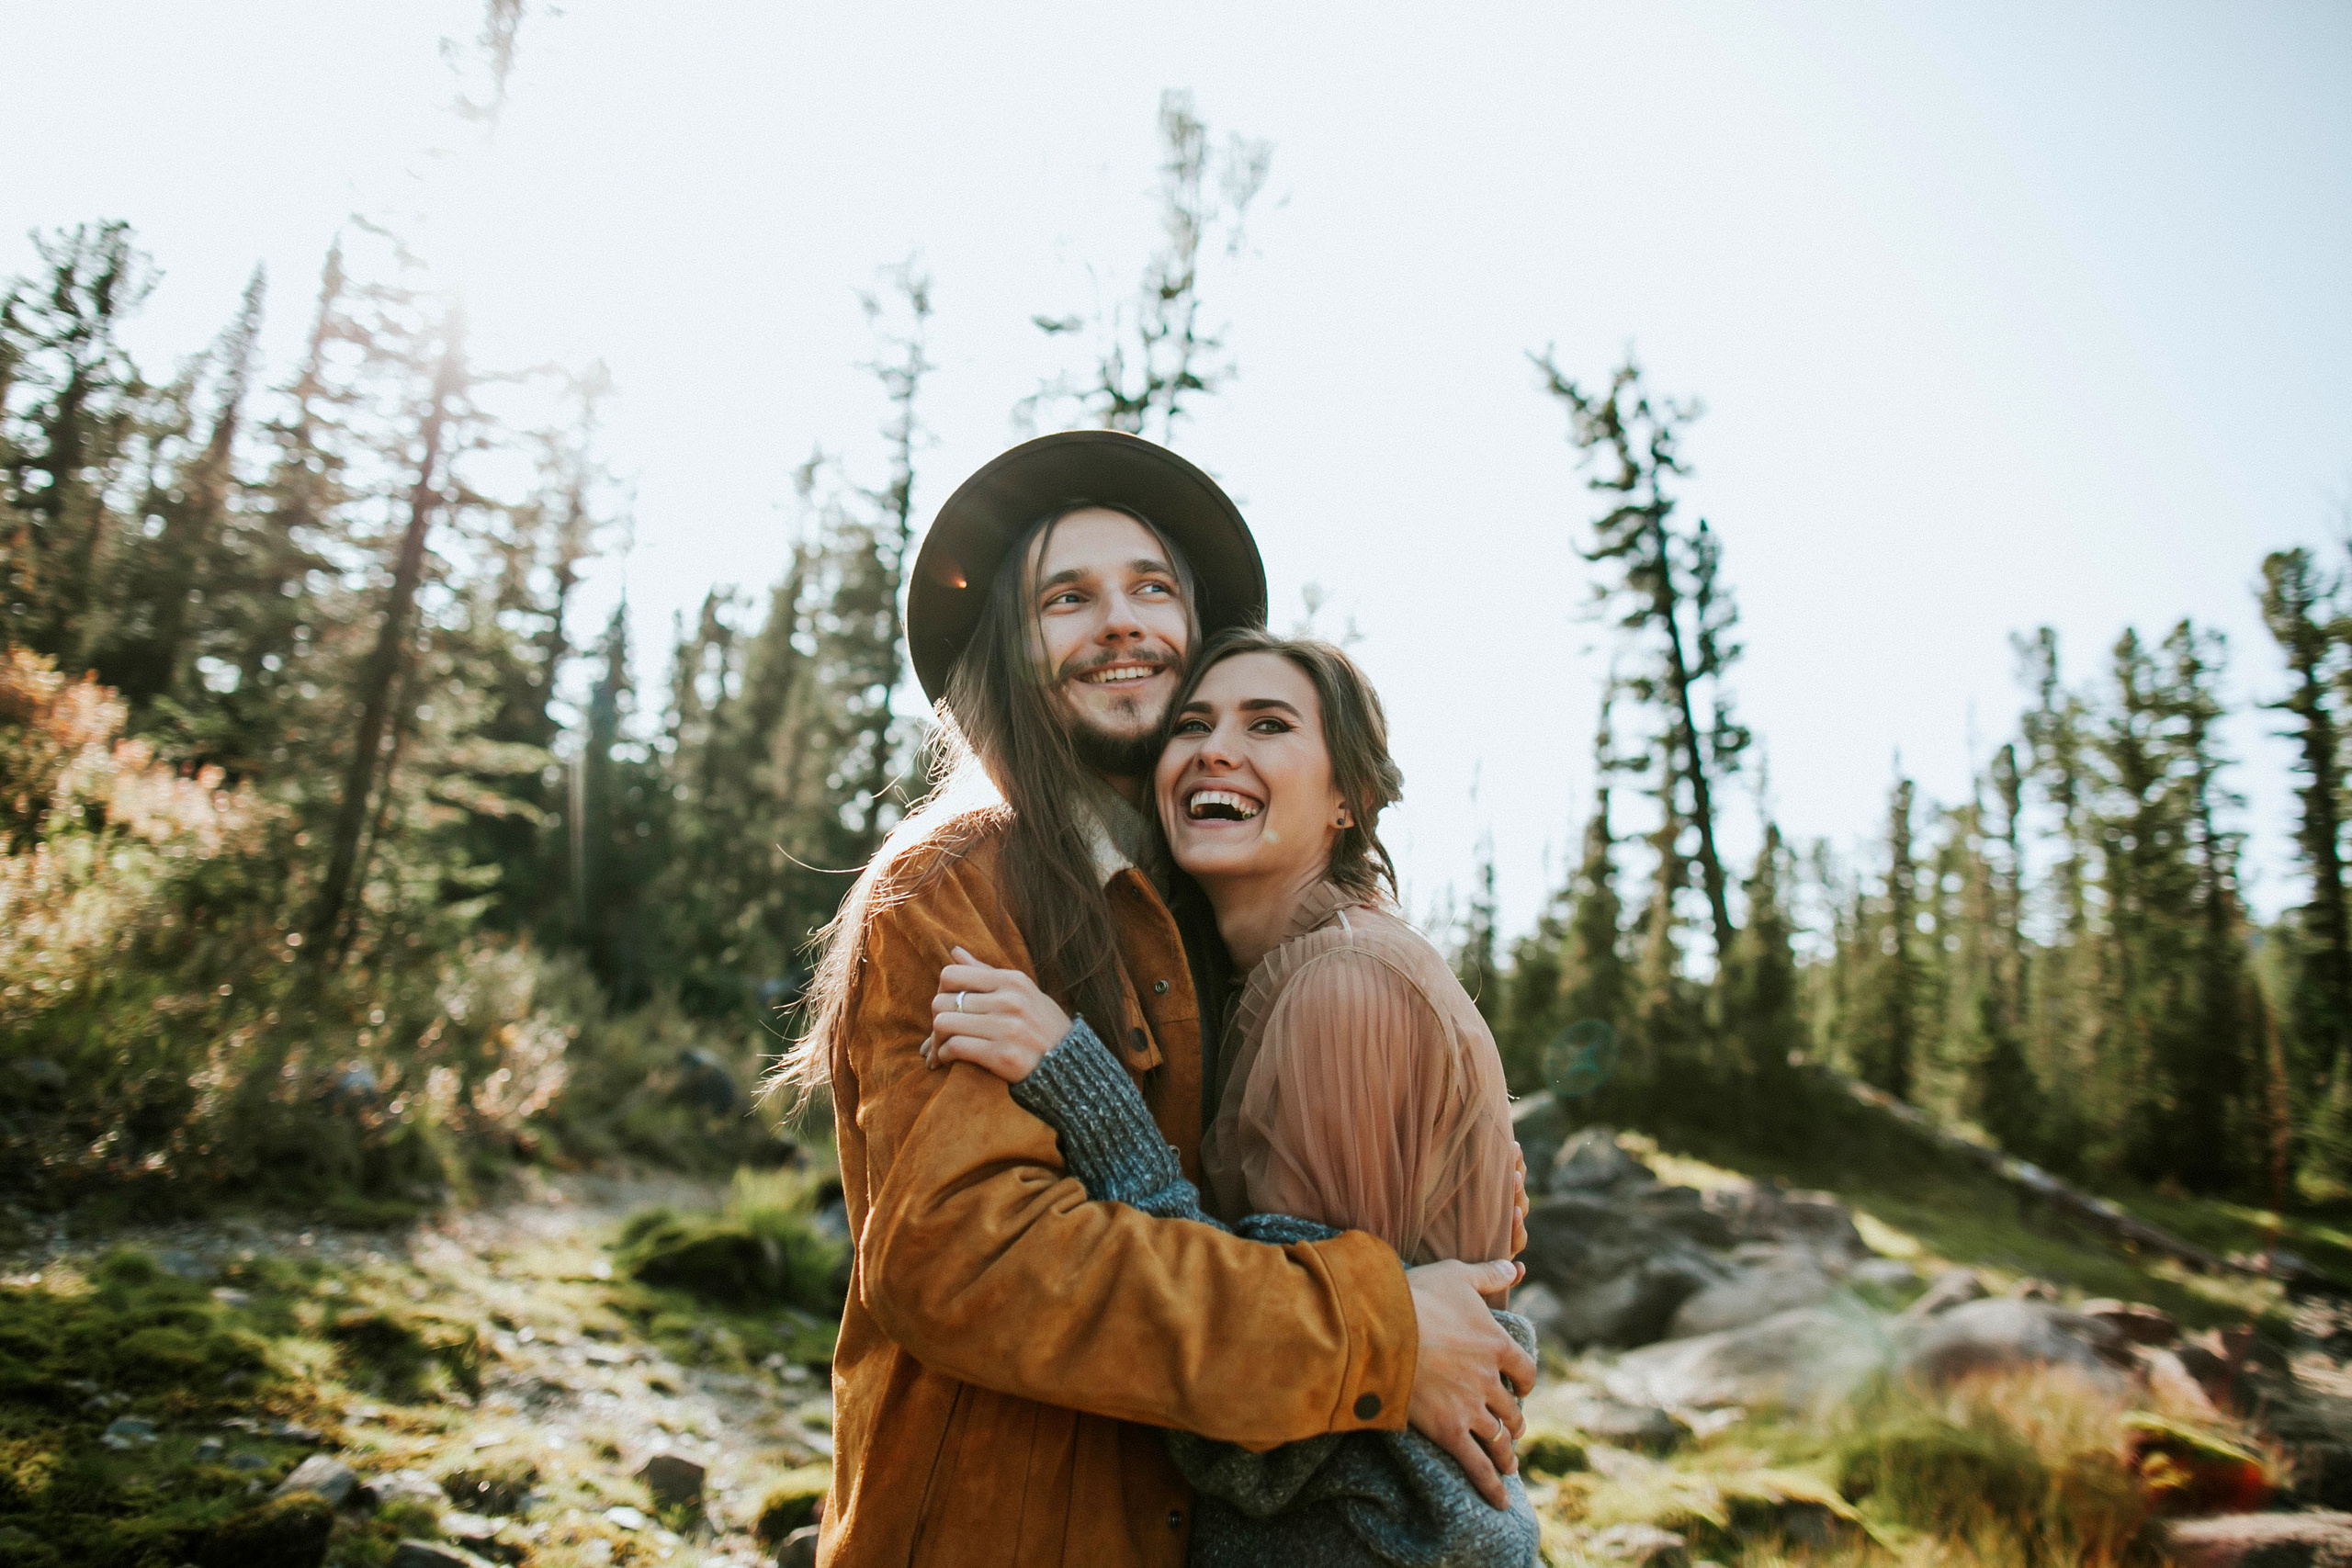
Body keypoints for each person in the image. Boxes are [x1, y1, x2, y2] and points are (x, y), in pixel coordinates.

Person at [775, 431, 1536, 1568]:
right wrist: (1373, 1334)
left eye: (1151, 588)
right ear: (1010, 655)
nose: (1119, 621)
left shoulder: (1213, 914)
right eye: (1066, 599)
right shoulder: (960, 881)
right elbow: (971, 1258)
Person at [926, 627, 1539, 1564]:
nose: (1217, 748)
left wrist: (1078, 1083)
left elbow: (1288, 1401)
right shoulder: (1281, 979)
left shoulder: (1342, 990)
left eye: (1268, 725)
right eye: (1196, 724)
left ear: (1349, 800)